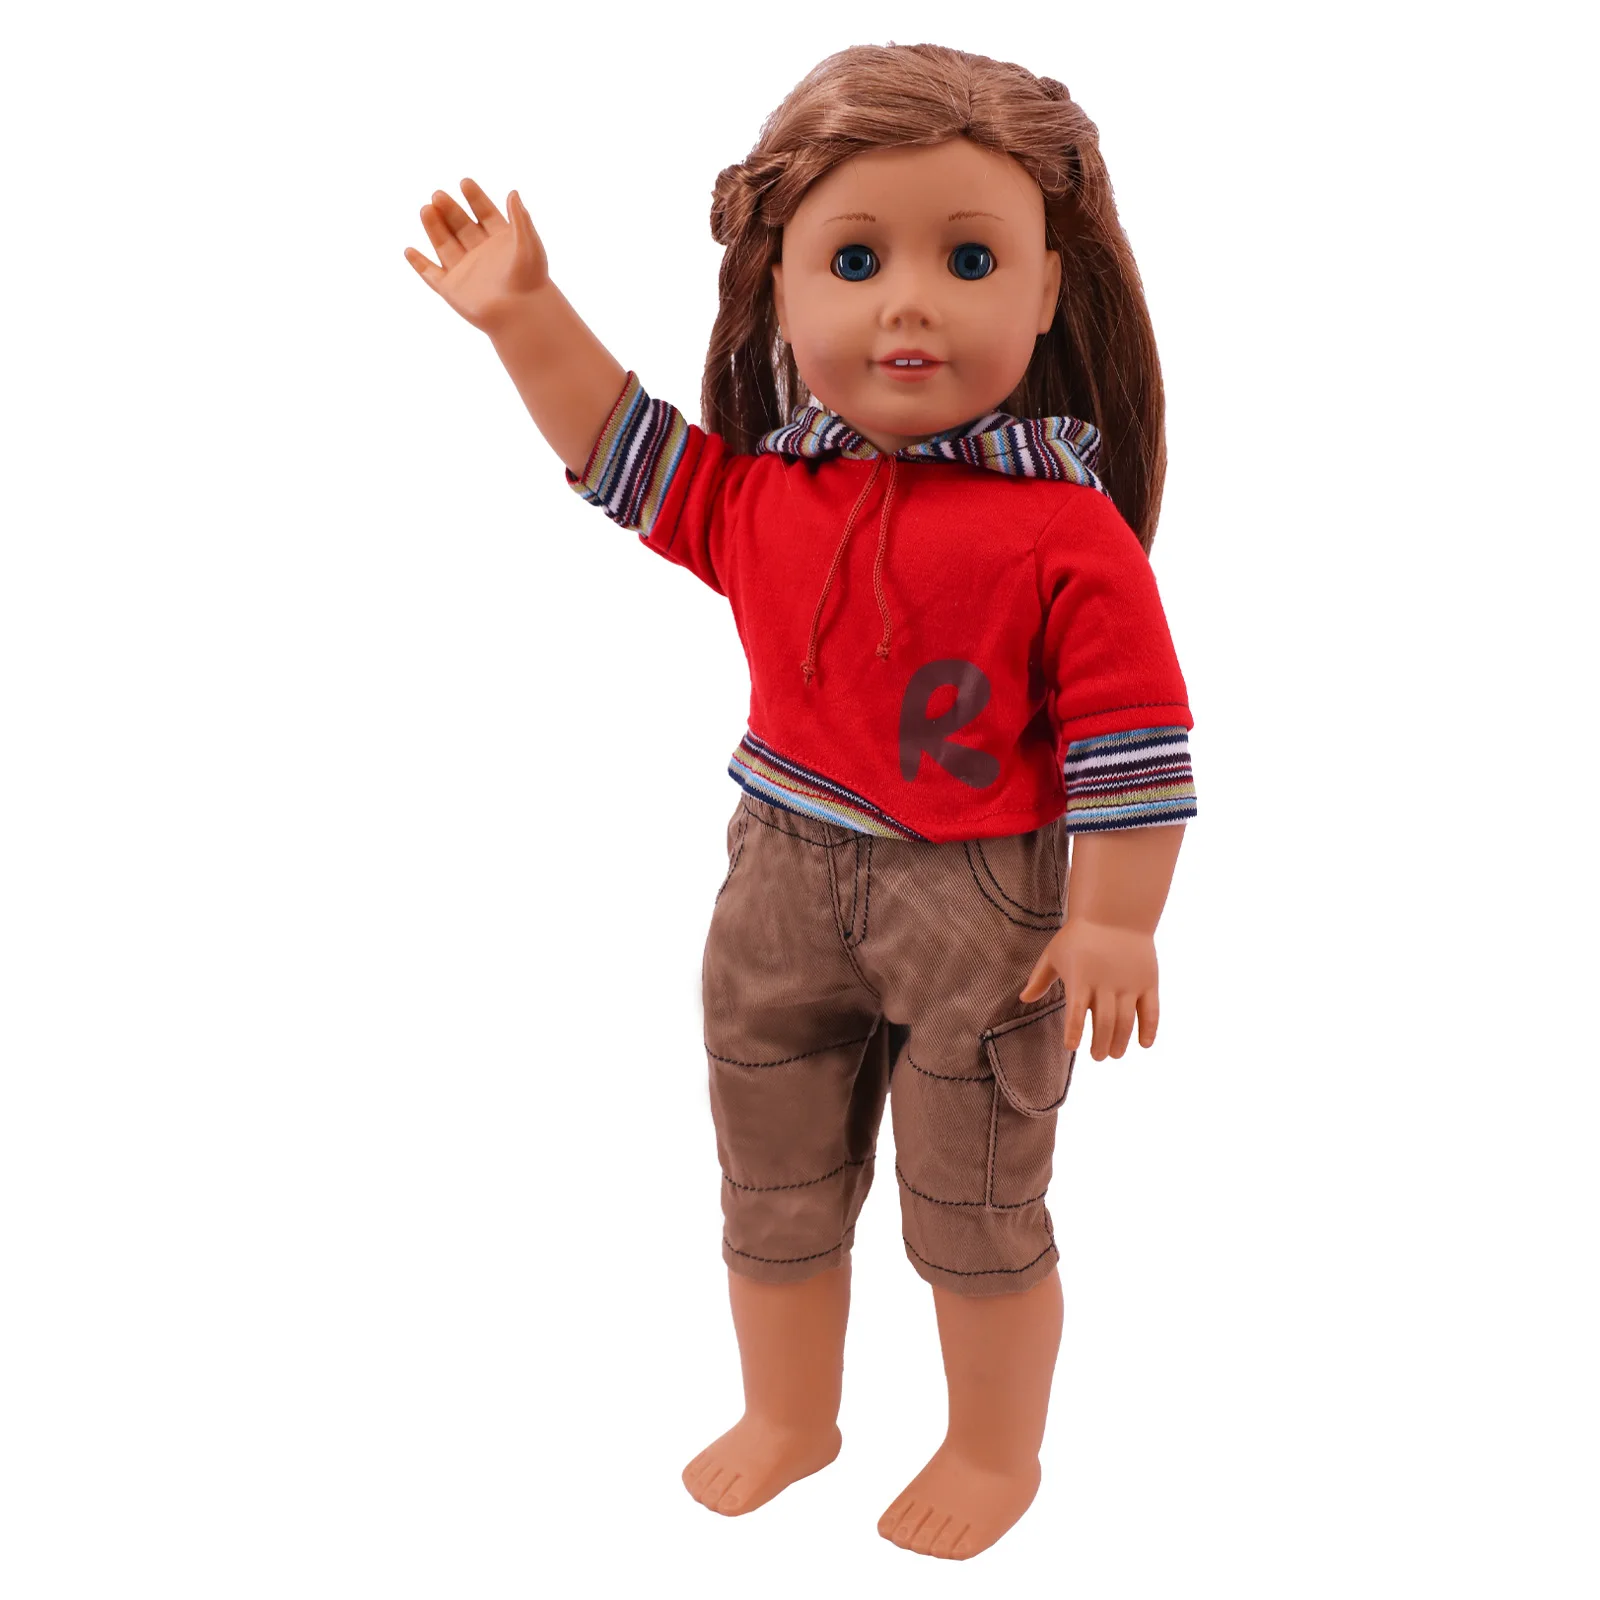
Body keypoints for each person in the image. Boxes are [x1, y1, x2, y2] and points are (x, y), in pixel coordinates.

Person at [405, 41, 1197, 1562]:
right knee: (769, 1163)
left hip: (983, 904)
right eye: (856, 259)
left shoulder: (1067, 535)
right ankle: (791, 1415)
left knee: (976, 1191)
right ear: (778, 288)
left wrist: (1116, 916)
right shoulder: (768, 495)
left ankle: (993, 1447)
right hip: (778, 875)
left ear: (1048, 291)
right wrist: (522, 314)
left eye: (970, 260)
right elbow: (620, 447)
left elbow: (1133, 741)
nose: (911, 304)